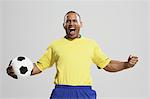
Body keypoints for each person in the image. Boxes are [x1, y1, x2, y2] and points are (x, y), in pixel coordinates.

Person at [7, 11, 138, 99]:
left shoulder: (91, 44)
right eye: (68, 21)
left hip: (84, 92)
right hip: (61, 92)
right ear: (64, 25)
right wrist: (17, 71)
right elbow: (39, 67)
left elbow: (107, 65)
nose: (71, 23)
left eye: (75, 21)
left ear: (81, 24)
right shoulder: (55, 45)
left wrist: (126, 65)